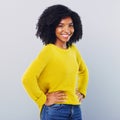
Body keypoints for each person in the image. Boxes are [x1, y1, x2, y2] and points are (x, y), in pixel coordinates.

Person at [22, 4, 89, 120]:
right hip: (55, 109)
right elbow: (27, 79)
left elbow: (84, 71)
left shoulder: (73, 50)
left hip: (76, 109)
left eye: (70, 25)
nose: (67, 30)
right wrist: (43, 99)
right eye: (60, 26)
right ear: (52, 28)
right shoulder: (48, 51)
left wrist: (82, 91)